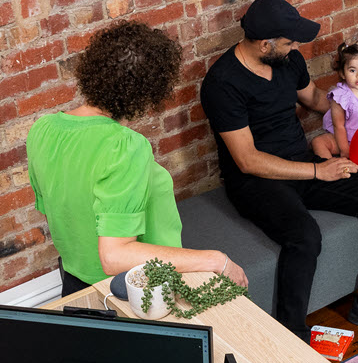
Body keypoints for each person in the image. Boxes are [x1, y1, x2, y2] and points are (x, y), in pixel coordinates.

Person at [199, 0, 358, 340]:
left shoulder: (289, 61)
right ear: (264, 43)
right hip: (255, 181)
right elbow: (247, 159)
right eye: (288, 42)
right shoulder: (222, 83)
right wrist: (319, 171)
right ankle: (292, 335)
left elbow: (317, 100)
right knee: (304, 235)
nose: (295, 46)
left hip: (301, 163)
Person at [27, 21, 245, 296]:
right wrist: (214, 259)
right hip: (133, 292)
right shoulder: (124, 146)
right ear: (151, 90)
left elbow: (61, 211)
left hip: (75, 285)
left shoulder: (43, 130)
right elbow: (114, 257)